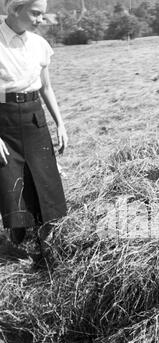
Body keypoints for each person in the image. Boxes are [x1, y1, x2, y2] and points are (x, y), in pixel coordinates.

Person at [0, 0, 68, 250]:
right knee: (10, 180)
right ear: (15, 9)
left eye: (42, 14)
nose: (41, 19)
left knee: (45, 177)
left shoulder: (39, 44)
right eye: (35, 13)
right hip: (3, 120)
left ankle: (48, 240)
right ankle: (16, 242)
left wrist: (60, 124)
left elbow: (46, 88)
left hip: (34, 117)